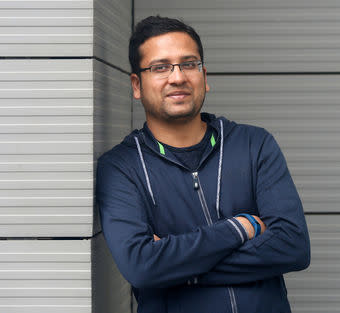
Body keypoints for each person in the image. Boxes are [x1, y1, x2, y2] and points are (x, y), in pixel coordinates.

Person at [96, 15, 310, 313]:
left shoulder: (253, 144)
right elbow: (142, 266)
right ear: (137, 85)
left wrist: (176, 268)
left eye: (189, 64)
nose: (178, 77)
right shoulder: (121, 167)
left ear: (204, 77)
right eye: (160, 67)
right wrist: (240, 227)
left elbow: (293, 246)